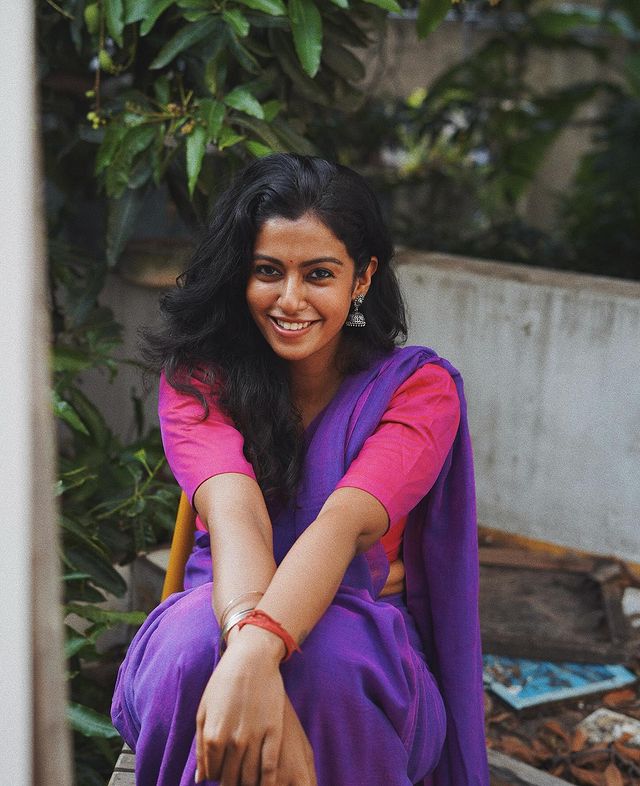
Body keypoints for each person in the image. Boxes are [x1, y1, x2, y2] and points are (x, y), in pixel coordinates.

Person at [111, 153, 489, 786]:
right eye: (268, 271)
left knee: (328, 666)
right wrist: (248, 645)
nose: (290, 299)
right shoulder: (200, 380)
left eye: (319, 274)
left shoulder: (419, 390)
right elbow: (237, 516)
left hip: (365, 648)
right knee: (194, 651)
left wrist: (258, 655)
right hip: (219, 608)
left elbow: (342, 526)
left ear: (362, 277)